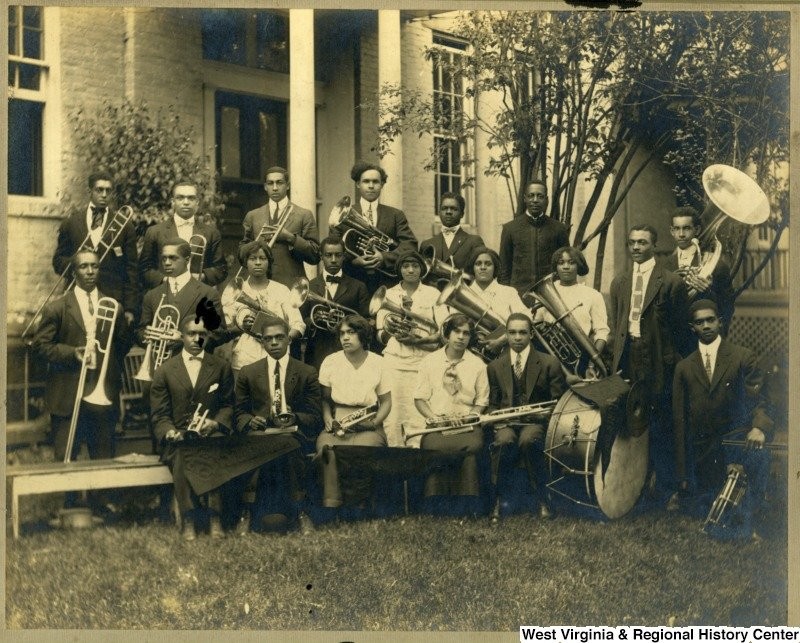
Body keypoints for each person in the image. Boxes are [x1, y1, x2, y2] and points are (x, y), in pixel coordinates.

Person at [33, 249, 130, 510]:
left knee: (102, 447)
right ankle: (70, 502)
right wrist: (71, 353)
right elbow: (41, 346)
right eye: (84, 267)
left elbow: (121, 346)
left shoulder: (113, 306)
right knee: (67, 449)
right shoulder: (58, 307)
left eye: (94, 266)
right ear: (74, 272)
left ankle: (100, 501)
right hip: (67, 389)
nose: (89, 272)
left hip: (101, 387)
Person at [608, 224, 691, 500]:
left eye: (642, 243)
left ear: (654, 245)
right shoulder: (620, 282)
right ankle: (634, 487)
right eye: (632, 242)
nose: (636, 248)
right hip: (629, 355)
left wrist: (671, 359)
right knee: (632, 420)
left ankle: (666, 488)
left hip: (657, 359)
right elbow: (617, 322)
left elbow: (681, 330)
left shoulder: (670, 282)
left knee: (660, 421)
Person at [673, 300, 772, 516]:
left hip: (735, 446)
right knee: (703, 508)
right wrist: (683, 476)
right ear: (693, 328)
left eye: (710, 320)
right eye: (700, 322)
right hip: (703, 455)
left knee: (742, 509)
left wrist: (759, 428)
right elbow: (680, 424)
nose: (706, 326)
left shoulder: (742, 357)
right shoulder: (683, 367)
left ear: (720, 322)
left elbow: (759, 401)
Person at [149, 312, 235, 541]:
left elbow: (228, 405)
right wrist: (169, 431)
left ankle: (215, 517)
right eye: (191, 334)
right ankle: (189, 518)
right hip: (178, 438)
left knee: (213, 452)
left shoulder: (221, 367)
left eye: (202, 334)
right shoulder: (165, 370)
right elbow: (159, 414)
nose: (197, 339)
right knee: (182, 456)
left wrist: (215, 422)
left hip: (210, 436)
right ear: (181, 336)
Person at [234, 317, 323, 532]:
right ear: (262, 342)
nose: (274, 343)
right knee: (257, 446)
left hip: (292, 435)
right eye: (268, 339)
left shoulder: (306, 372)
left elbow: (315, 416)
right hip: (260, 435)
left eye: (279, 337)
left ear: (288, 340)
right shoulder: (248, 372)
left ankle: (302, 511)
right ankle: (246, 511)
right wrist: (249, 420)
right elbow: (238, 414)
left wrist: (296, 418)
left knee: (287, 444)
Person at [486, 313, 566, 523]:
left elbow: (558, 404)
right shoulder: (495, 366)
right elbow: (493, 403)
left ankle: (542, 498)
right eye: (512, 332)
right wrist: (495, 421)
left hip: (537, 424)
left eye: (522, 332)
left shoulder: (549, 363)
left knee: (528, 441)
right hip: (507, 422)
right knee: (503, 441)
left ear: (531, 334)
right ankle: (498, 499)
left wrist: (545, 415)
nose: (517, 337)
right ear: (506, 335)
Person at [412, 314, 489, 509]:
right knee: (435, 446)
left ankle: (467, 503)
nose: (461, 337)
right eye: (457, 331)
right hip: (437, 425)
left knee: (471, 447)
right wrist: (435, 418)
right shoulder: (429, 361)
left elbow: (481, 401)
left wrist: (468, 417)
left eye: (466, 333)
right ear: (447, 334)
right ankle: (436, 502)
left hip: (467, 425)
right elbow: (420, 399)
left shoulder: (478, 365)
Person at [316, 315, 391, 510]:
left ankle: (359, 505)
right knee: (327, 450)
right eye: (342, 334)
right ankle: (332, 504)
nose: (345, 338)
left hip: (368, 423)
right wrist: (328, 419)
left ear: (364, 335)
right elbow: (324, 400)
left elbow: (386, 403)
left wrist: (374, 424)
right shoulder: (330, 361)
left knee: (364, 450)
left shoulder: (379, 362)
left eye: (351, 332)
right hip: (339, 421)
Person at [375, 250, 448, 447]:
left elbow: (443, 331)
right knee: (394, 416)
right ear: (399, 269)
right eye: (406, 266)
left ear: (422, 269)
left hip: (424, 361)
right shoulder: (388, 294)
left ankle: (419, 456)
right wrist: (393, 332)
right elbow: (380, 333)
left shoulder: (433, 294)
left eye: (415, 266)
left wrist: (417, 341)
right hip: (394, 362)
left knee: (419, 415)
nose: (410, 270)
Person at [52, 171, 139, 324]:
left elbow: (131, 269)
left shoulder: (124, 225)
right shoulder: (71, 223)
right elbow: (58, 262)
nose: (104, 194)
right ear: (90, 191)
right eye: (99, 190)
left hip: (112, 299)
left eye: (108, 190)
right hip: (77, 297)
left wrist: (130, 308)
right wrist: (80, 260)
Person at [220, 239, 305, 375]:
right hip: (244, 359)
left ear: (269, 262)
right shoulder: (235, 290)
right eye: (253, 259)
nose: (258, 263)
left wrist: (283, 339)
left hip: (278, 357)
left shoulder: (282, 290)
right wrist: (242, 327)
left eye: (263, 258)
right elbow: (227, 327)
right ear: (245, 262)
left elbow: (298, 324)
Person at [137, 239, 227, 367]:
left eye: (173, 258)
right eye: (164, 259)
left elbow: (219, 333)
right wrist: (151, 337)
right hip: (158, 367)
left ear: (187, 259)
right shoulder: (151, 295)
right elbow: (141, 330)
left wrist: (185, 340)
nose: (167, 263)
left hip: (194, 366)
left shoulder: (208, 294)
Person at [336, 161, 418, 294]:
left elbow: (410, 246)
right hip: (353, 284)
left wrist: (384, 257)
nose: (371, 186)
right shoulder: (343, 215)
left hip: (387, 285)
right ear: (358, 184)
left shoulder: (396, 215)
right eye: (366, 181)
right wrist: (354, 261)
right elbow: (332, 248)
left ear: (382, 185)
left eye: (375, 182)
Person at [532, 246, 610, 377]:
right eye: (561, 263)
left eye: (571, 262)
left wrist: (592, 363)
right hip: (547, 355)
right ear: (556, 267)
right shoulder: (544, 292)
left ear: (579, 266)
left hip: (580, 357)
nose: (566, 267)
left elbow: (602, 332)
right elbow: (537, 324)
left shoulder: (593, 295)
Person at [240, 166, 320, 288]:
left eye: (280, 183)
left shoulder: (304, 215)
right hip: (259, 285)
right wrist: (255, 247)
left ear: (287, 186)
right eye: (270, 183)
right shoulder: (253, 216)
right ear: (265, 187)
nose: (275, 188)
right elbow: (241, 252)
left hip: (292, 287)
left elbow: (315, 256)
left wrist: (291, 238)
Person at [139, 180, 227, 290]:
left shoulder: (212, 233)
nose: (186, 202)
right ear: (173, 202)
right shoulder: (154, 232)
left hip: (198, 294)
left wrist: (200, 277)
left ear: (197, 202)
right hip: (165, 293)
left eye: (191, 198)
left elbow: (221, 269)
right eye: (180, 198)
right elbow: (144, 269)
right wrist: (165, 280)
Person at [300, 236, 370, 371]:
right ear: (321, 256)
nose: (333, 260)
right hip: (318, 351)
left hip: (350, 353)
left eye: (338, 255)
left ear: (344, 257)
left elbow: (366, 321)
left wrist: (346, 324)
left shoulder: (358, 287)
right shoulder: (309, 287)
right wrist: (315, 321)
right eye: (328, 255)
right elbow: (301, 320)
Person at [664, 206, 735, 333]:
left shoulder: (717, 266)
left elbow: (727, 307)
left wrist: (708, 292)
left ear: (697, 230)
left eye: (686, 228)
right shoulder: (663, 266)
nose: (681, 234)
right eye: (677, 229)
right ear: (671, 231)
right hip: (672, 339)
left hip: (701, 337)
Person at [498, 181, 569, 295]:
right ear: (525, 199)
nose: (535, 200)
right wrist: (507, 296)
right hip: (519, 295)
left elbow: (565, 263)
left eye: (540, 196)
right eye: (531, 196)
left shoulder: (559, 229)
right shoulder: (510, 228)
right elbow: (504, 269)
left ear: (546, 200)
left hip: (552, 295)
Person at [462, 246, 531, 356]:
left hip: (507, 351)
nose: (483, 267)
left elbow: (526, 319)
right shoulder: (463, 293)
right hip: (469, 353)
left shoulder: (508, 292)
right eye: (478, 264)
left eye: (488, 264)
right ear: (472, 268)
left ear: (495, 268)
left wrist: (501, 341)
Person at [419, 192, 484, 286]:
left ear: (462, 214)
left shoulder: (474, 241)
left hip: (462, 298)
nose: (448, 212)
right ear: (439, 212)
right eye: (444, 208)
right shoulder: (426, 245)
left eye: (454, 209)